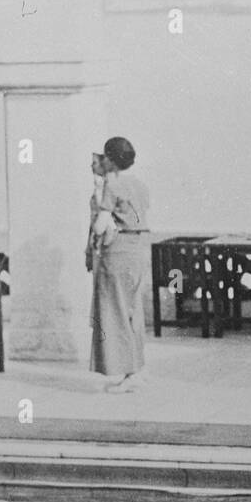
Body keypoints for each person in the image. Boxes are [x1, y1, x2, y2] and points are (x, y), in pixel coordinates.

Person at [89, 135, 151, 392]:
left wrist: (100, 221)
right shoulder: (140, 185)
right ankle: (137, 369)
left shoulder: (112, 187)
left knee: (114, 312)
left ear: (111, 160)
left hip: (117, 253)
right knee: (133, 310)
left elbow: (101, 224)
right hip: (138, 251)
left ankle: (128, 374)